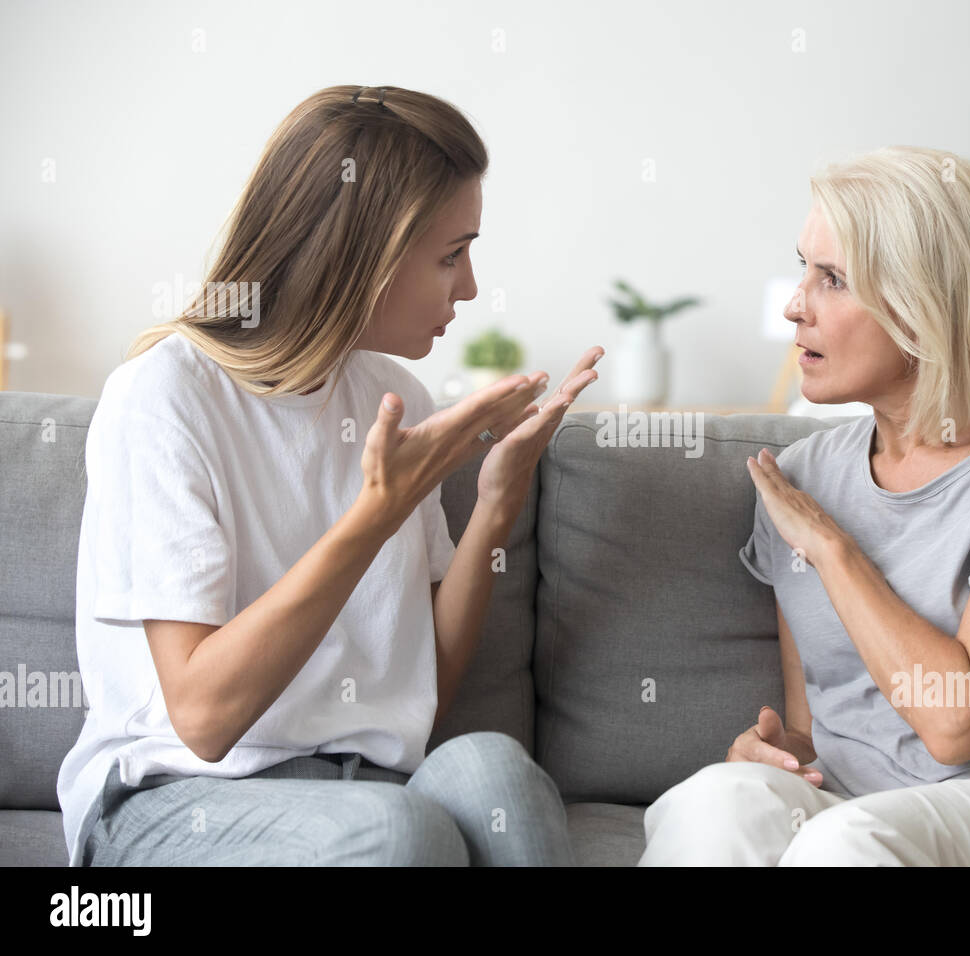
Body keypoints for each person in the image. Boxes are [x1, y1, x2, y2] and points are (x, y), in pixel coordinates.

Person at [57, 85, 600, 866]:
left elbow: (420, 701)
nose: (471, 288)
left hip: (361, 787)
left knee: (495, 773)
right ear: (361, 255)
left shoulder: (394, 401)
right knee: (396, 831)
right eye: (451, 254)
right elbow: (204, 718)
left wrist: (495, 500)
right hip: (174, 799)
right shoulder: (165, 396)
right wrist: (374, 516)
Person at [639, 146, 970, 867]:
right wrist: (780, 757)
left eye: (833, 279)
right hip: (855, 809)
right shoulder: (802, 476)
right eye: (804, 269)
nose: (795, 304)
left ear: (925, 306)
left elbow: (957, 723)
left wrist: (834, 550)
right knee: (714, 800)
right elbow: (815, 727)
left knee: (846, 843)